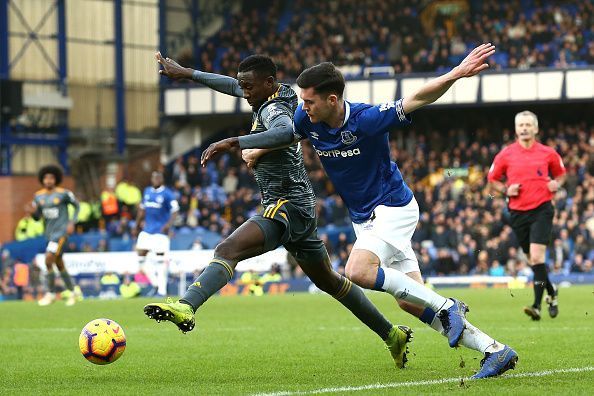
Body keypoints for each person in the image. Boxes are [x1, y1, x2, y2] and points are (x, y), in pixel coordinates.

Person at [201, 44, 517, 379]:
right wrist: (252, 148)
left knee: (358, 270)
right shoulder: (306, 120)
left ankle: (448, 305)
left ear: (332, 100)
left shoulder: (367, 118)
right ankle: (494, 351)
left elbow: (418, 98)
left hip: (393, 207)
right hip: (364, 219)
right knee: (411, 301)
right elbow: (283, 136)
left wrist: (455, 73)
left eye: (309, 101)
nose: (303, 107)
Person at [144, 53, 414, 368]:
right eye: (243, 86)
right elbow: (232, 84)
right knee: (328, 280)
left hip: (289, 204)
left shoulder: (275, 108)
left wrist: (235, 141)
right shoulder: (271, 94)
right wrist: (188, 73)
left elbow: (284, 131)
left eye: (248, 87)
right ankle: (392, 334)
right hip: (295, 205)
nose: (243, 92)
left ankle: (187, 306)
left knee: (228, 248)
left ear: (268, 83)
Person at [488, 110, 565, 320]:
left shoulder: (548, 153)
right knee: (534, 261)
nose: (524, 128)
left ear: (536, 128)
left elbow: (561, 174)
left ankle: (536, 306)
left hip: (542, 209)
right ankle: (552, 293)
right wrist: (505, 190)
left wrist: (556, 183)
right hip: (518, 213)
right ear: (515, 129)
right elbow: (492, 179)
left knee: (538, 257)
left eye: (528, 125)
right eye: (521, 125)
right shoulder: (505, 154)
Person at [29, 165, 80, 306]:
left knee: (48, 259)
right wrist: (33, 213)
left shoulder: (64, 193)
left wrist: (72, 222)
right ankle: (73, 291)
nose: (48, 180)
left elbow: (77, 205)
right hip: (49, 234)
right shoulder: (38, 196)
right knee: (59, 263)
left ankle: (50, 293)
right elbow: (37, 217)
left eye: (51, 177)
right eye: (46, 178)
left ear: (56, 179)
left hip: (61, 232)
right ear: (42, 179)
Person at [134, 171, 179, 296]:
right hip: (147, 231)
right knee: (140, 259)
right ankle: (155, 283)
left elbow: (175, 211)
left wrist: (168, 225)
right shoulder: (147, 191)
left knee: (160, 261)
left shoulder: (167, 194)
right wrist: (136, 225)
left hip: (160, 233)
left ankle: (162, 290)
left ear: (162, 179)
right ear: (151, 179)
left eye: (159, 178)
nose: (156, 180)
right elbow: (142, 210)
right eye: (154, 177)